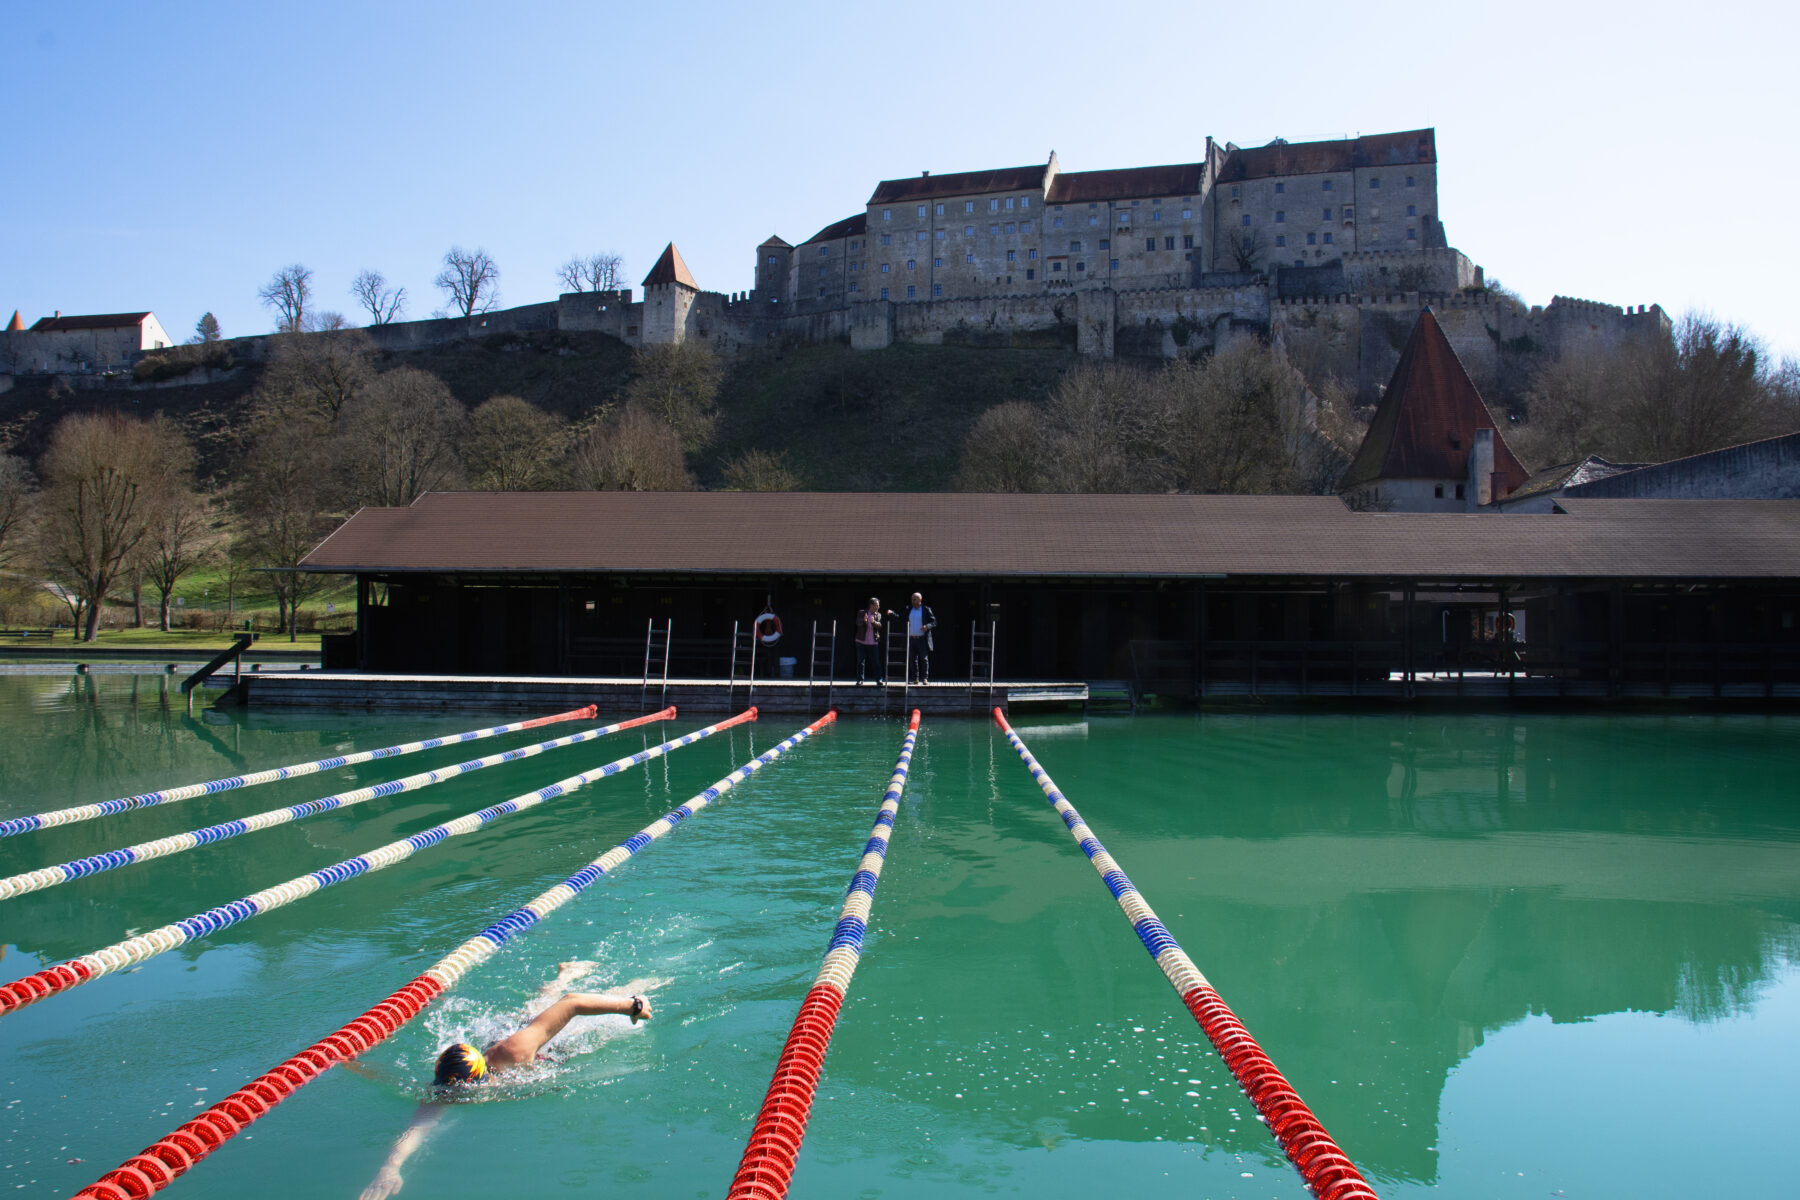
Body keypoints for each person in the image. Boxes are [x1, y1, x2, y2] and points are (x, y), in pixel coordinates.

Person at [356, 962, 651, 1199]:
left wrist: (632, 1005)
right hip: (509, 1038)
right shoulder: (452, 1085)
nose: (452, 1098)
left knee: (563, 1016)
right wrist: (389, 1168)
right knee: (534, 1010)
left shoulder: (515, 1052)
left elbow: (572, 1004)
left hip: (532, 1046)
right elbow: (417, 1128)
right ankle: (565, 972)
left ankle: (636, 982)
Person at [889, 592, 936, 684]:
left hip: (922, 638)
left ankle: (925, 678)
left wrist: (927, 626)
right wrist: (892, 614)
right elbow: (900, 618)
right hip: (911, 638)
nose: (912, 601)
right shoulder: (909, 609)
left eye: (914, 599)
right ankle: (915, 678)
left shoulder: (926, 610)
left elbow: (934, 622)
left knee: (924, 659)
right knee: (912, 659)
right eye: (912, 599)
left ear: (920, 600)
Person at [854, 597, 884, 685]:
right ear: (871, 605)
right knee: (861, 661)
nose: (878, 607)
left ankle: (879, 679)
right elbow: (858, 623)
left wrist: (874, 622)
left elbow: (879, 626)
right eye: (877, 605)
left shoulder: (878, 615)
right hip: (861, 641)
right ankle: (860, 680)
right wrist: (864, 621)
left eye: (878, 605)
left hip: (873, 642)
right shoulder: (862, 612)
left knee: (876, 662)